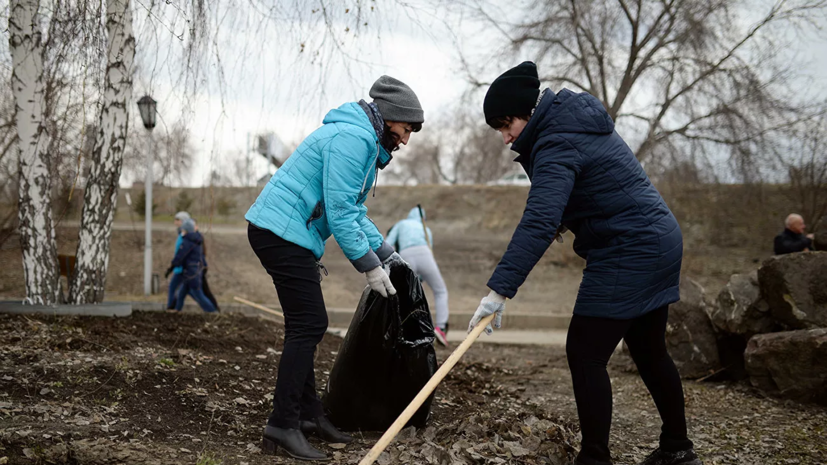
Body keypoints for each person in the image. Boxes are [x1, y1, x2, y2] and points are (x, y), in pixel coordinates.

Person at [467, 62, 701, 465]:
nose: (505, 138)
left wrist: (499, 289)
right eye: (499, 130)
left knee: (585, 353)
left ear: (530, 112)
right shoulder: (570, 123)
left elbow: (538, 219)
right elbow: (593, 188)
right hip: (657, 237)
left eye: (507, 125)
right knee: (648, 350)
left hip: (629, 248)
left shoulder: (557, 140)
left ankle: (594, 459)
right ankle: (677, 449)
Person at [245, 75, 423, 461]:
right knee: (310, 323)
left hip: (287, 233)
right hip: (280, 232)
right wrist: (369, 267)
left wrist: (387, 254)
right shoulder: (353, 140)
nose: (406, 140)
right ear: (390, 117)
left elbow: (354, 210)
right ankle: (282, 425)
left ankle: (308, 416)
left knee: (305, 324)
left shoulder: (362, 139)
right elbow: (340, 214)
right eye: (406, 129)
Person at [386, 206, 451, 346]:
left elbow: (389, 243)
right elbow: (430, 248)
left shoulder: (401, 224)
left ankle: (399, 328)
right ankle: (441, 327)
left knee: (404, 293)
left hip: (405, 255)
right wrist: (420, 277)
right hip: (425, 254)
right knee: (440, 291)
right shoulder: (425, 229)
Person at [167, 218, 217, 313]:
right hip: (192, 271)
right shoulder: (195, 239)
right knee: (181, 292)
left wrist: (172, 266)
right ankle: (176, 309)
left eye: (183, 230)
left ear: (186, 230)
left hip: (191, 273)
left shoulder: (188, 241)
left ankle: (212, 311)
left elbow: (180, 256)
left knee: (198, 294)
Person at [164, 211, 190, 310]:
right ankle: (174, 309)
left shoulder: (186, 236)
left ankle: (172, 309)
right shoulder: (181, 234)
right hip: (179, 268)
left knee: (177, 289)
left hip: (182, 269)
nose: (175, 222)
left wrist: (174, 266)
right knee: (179, 290)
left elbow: (182, 253)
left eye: (177, 220)